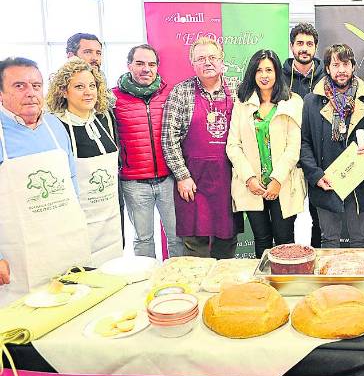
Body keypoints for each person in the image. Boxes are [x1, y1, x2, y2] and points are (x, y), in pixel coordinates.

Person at [0, 57, 89, 303]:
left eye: (36, 86)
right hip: (17, 254)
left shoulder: (54, 126)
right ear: (1, 93)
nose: (30, 93)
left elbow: (71, 178)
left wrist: (78, 222)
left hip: (63, 241)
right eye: (20, 86)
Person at [299, 44, 364, 248]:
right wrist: (316, 175)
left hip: (361, 184)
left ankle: (358, 281)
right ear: (327, 68)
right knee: (329, 241)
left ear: (353, 66)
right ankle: (332, 282)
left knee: (360, 240)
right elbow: (304, 143)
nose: (341, 70)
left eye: (345, 64)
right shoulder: (312, 101)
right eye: (335, 64)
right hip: (327, 183)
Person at [161, 37, 239, 259]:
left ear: (222, 62)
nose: (208, 63)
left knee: (227, 240)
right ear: (192, 63)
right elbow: (169, 137)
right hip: (194, 181)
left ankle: (224, 289)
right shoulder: (180, 92)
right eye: (201, 58)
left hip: (229, 179)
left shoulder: (237, 89)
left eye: (213, 57)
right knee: (196, 246)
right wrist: (182, 176)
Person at [228, 50, 306, 258]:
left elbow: (294, 147)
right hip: (252, 185)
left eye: (269, 70)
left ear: (277, 72)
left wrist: (277, 179)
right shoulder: (241, 103)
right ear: (252, 73)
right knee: (261, 239)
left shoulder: (292, 102)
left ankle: (286, 286)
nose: (264, 75)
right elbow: (233, 145)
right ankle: (264, 287)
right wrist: (249, 178)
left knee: (284, 240)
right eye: (259, 70)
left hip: (283, 183)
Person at [47, 58, 122, 267]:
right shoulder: (55, 127)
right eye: (79, 87)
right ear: (63, 91)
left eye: (92, 86)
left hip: (110, 223)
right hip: (80, 225)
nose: (88, 92)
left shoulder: (101, 119)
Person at [113, 44, 184, 258]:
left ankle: (178, 281)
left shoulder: (169, 94)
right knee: (143, 240)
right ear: (129, 65)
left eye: (151, 64)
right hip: (134, 183)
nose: (146, 69)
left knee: (176, 237)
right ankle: (146, 284)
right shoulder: (113, 98)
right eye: (140, 63)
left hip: (168, 179)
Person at [282, 23, 325, 249]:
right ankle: (289, 266)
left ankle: (316, 266)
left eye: (309, 44)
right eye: (300, 43)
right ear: (291, 46)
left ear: (316, 48)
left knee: (319, 221)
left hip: (318, 162)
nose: (304, 48)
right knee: (287, 222)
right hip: (288, 164)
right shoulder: (278, 78)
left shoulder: (327, 78)